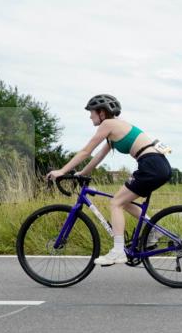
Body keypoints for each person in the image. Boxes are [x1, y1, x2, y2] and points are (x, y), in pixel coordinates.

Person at [45, 94, 172, 266]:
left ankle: (118, 252)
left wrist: (61, 171)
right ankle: (154, 232)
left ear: (102, 112)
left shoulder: (108, 124)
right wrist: (81, 173)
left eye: (92, 112)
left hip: (151, 166)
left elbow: (86, 152)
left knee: (116, 203)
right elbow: (97, 157)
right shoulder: (114, 130)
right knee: (123, 202)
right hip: (156, 165)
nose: (90, 116)